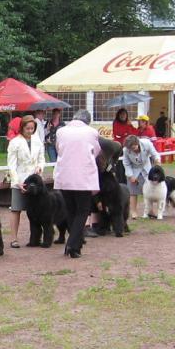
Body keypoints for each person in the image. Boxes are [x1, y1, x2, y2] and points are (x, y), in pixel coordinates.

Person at [54, 110, 101, 258]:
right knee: (82, 212)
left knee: (71, 211)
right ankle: (72, 245)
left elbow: (58, 149)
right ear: (87, 121)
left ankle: (77, 243)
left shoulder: (61, 131)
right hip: (83, 178)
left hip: (65, 176)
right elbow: (96, 151)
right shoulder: (91, 132)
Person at [6, 115, 45, 249]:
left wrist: (40, 167)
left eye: (32, 128)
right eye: (27, 128)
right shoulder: (14, 142)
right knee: (16, 209)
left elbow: (41, 158)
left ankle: (35, 238)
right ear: (22, 128)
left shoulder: (37, 140)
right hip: (20, 180)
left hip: (35, 180)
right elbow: (11, 165)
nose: (30, 131)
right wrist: (17, 182)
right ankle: (13, 238)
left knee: (37, 210)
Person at [122, 135, 161, 220]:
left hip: (146, 169)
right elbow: (126, 163)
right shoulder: (125, 150)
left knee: (149, 192)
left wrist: (157, 160)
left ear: (137, 143)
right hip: (133, 170)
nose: (132, 149)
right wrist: (130, 175)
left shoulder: (146, 143)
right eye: (130, 148)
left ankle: (151, 211)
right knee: (132, 192)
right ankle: (134, 212)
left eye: (134, 147)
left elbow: (155, 154)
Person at [112, 108, 136, 183]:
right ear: (118, 115)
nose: (123, 116)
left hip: (128, 147)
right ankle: (121, 181)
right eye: (121, 114)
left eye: (125, 114)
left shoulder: (128, 123)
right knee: (120, 165)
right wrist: (125, 134)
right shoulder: (116, 122)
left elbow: (134, 133)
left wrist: (130, 125)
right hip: (119, 147)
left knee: (129, 165)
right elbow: (118, 133)